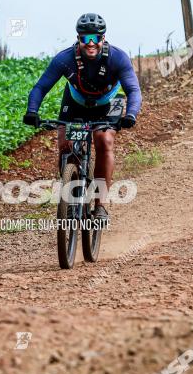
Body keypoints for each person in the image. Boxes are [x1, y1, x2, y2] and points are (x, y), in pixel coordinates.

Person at [23, 13, 142, 223]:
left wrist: (130, 114)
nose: (90, 43)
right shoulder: (65, 59)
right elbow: (41, 87)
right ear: (78, 38)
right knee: (65, 144)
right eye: (85, 38)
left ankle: (101, 205)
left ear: (103, 38)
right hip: (76, 102)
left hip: (108, 103)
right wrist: (32, 111)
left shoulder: (117, 57)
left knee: (104, 141)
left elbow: (133, 89)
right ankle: (71, 191)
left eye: (95, 38)